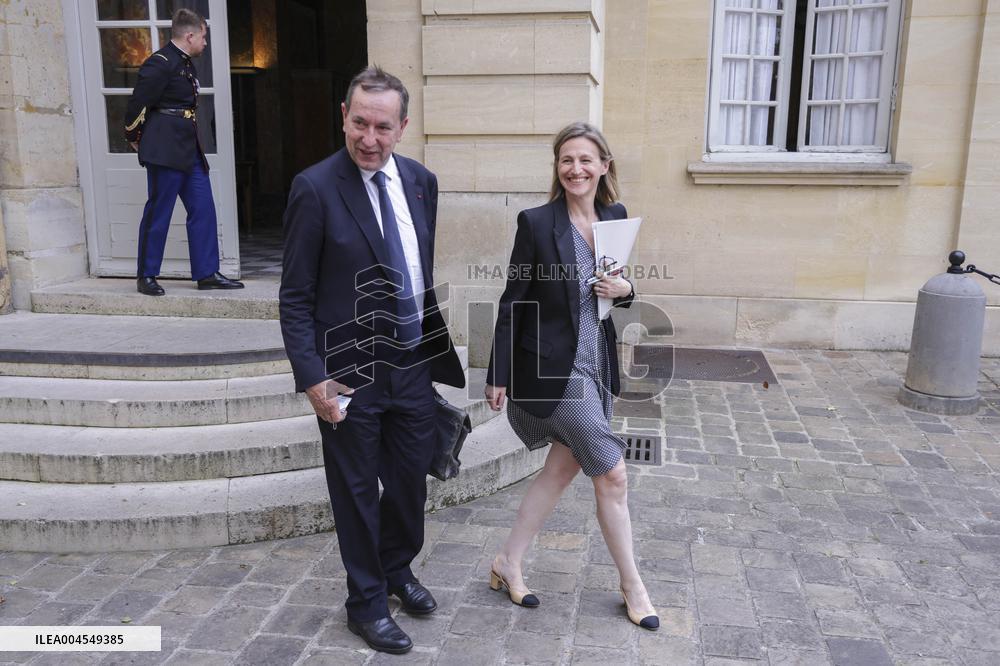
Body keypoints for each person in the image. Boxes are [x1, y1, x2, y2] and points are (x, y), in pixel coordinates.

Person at [279, 66, 465, 655]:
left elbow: (416, 269)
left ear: (402, 127)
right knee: (357, 490)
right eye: (359, 122)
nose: (369, 138)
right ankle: (364, 601)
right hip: (347, 370)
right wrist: (313, 379)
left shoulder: (420, 182)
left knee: (411, 481)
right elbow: (294, 297)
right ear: (344, 115)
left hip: (411, 362)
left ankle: (396, 569)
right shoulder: (314, 188)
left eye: (382, 126)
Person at [485, 122, 660, 630]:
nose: (575, 169)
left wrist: (625, 287)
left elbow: (617, 291)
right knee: (612, 472)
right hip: (553, 369)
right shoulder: (537, 223)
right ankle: (634, 587)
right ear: (557, 167)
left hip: (599, 361)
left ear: (605, 166)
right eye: (566, 160)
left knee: (562, 470)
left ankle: (508, 560)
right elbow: (513, 301)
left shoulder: (615, 217)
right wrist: (498, 371)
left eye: (586, 159)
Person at [124, 8, 243, 296]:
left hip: (188, 147)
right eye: (203, 37)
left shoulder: (186, 63)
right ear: (189, 36)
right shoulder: (160, 63)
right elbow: (137, 105)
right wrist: (134, 136)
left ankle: (207, 273)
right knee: (159, 212)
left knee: (203, 208)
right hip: (165, 149)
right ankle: (147, 275)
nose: (205, 42)